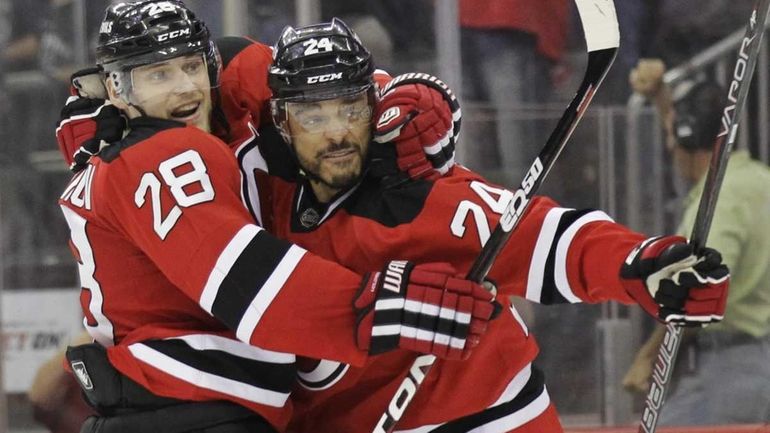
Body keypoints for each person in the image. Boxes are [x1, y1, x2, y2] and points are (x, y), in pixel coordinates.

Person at [237, 21, 731, 433]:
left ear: (374, 105)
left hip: (488, 414)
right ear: (281, 120)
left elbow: (545, 237)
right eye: (313, 116)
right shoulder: (264, 199)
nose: (338, 132)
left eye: (351, 108)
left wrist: (639, 266)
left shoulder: (415, 194)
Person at [56, 2, 496, 432]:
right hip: (183, 409)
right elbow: (247, 284)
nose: (185, 88)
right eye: (159, 75)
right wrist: (382, 307)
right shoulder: (161, 153)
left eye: (191, 67)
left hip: (209, 406)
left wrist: (400, 97)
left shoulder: (220, 93)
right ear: (115, 89)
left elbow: (319, 80)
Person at [623, 60, 770, 426]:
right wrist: (661, 98)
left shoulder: (718, 201)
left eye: (672, 136)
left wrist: (648, 355)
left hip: (735, 370)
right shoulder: (754, 179)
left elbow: (695, 289)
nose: (669, 145)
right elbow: (687, 140)